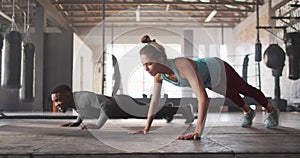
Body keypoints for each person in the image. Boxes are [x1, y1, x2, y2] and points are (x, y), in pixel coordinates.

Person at [128, 35, 280, 140]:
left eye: (149, 63)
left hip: (217, 67)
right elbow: (155, 102)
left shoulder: (181, 64)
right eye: (143, 65)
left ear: (161, 59)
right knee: (228, 94)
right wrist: (146, 127)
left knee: (244, 89)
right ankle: (249, 112)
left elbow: (203, 98)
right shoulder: (159, 76)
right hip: (207, 79)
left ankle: (271, 111)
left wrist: (197, 131)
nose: (146, 69)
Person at [50, 84, 194, 129]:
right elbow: (84, 110)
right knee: (150, 111)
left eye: (58, 100)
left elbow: (107, 104)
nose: (57, 104)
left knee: (147, 113)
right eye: (55, 102)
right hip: (120, 107)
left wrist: (98, 125)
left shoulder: (83, 97)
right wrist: (78, 121)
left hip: (122, 104)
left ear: (68, 95)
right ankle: (168, 110)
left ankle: (183, 109)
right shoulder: (75, 101)